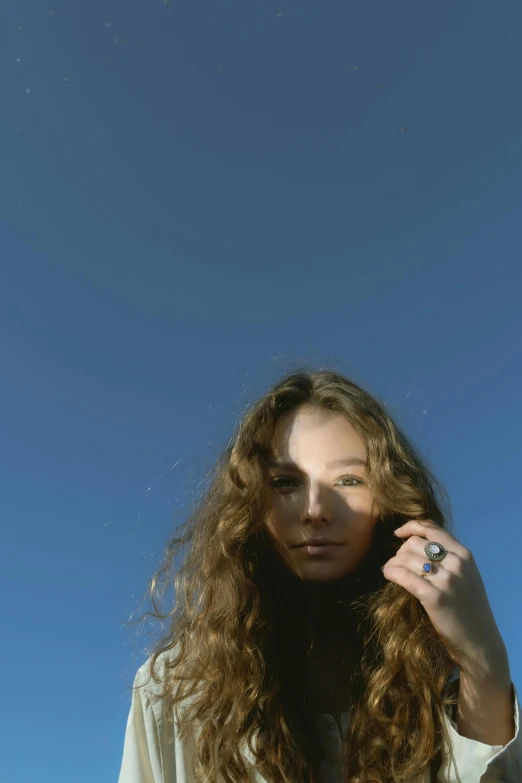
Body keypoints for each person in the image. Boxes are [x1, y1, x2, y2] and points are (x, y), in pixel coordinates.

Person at [117, 369, 521, 782]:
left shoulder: (435, 679)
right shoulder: (175, 686)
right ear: (250, 504)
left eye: (348, 480)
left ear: (388, 498)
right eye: (285, 482)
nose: (314, 510)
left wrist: (483, 656)